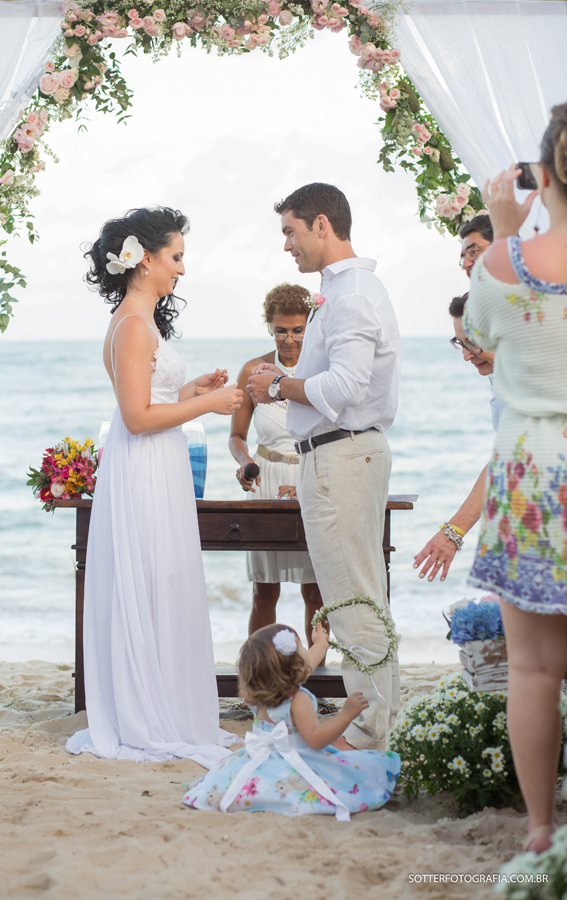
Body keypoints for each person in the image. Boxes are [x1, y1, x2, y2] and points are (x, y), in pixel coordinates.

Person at [65, 206, 243, 767]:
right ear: (144, 259)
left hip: (156, 462)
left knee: (163, 577)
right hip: (143, 465)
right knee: (151, 575)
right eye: (176, 257)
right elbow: (138, 417)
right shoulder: (134, 327)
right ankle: (148, 711)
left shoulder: (138, 322)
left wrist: (192, 390)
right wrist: (210, 405)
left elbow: (153, 400)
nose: (181, 269)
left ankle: (169, 702)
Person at [248, 183, 401, 751]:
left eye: (290, 231)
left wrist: (277, 385)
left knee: (351, 599)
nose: (286, 245)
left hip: (340, 455)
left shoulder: (352, 293)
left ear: (320, 224)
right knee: (363, 594)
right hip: (345, 453)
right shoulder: (342, 290)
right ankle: (378, 722)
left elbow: (346, 385)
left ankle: (365, 735)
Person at [463, 104, 567, 853]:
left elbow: (478, 336)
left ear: (546, 175)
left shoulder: (501, 266)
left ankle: (538, 830)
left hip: (530, 474)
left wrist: (504, 233)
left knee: (532, 668)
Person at [182, 623, 400, 817]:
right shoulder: (298, 700)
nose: (305, 651)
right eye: (301, 646)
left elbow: (304, 665)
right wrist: (346, 714)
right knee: (357, 772)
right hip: (296, 759)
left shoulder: (259, 694)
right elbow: (315, 739)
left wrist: (320, 644)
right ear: (293, 665)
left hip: (260, 758)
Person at [229, 283, 323, 647]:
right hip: (266, 481)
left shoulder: (321, 370)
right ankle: (259, 671)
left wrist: (309, 483)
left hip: (311, 478)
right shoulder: (252, 371)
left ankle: (315, 670)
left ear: (310, 326)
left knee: (315, 592)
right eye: (281, 330)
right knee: (264, 592)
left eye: (298, 330)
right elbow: (237, 436)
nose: (289, 339)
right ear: (269, 325)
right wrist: (245, 463)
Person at [413, 292, 503, 582]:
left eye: (473, 343)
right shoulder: (503, 375)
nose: (466, 355)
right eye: (460, 344)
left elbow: (507, 461)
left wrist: (453, 533)